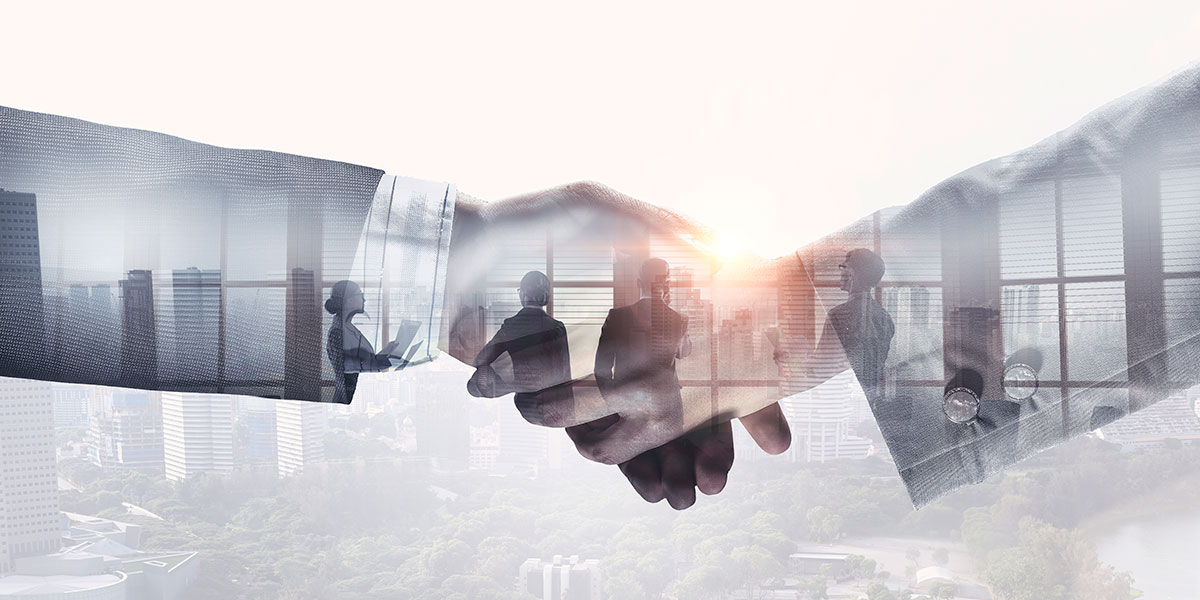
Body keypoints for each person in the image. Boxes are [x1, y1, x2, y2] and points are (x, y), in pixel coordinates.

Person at [467, 270, 574, 424]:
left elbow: (481, 359)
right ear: (545, 297)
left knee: (473, 384)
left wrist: (495, 372)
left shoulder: (511, 325)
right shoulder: (556, 327)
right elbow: (565, 372)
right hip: (552, 403)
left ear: (523, 294)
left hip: (526, 402)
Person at [325, 279, 410, 404]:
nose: (364, 300)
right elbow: (351, 367)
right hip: (349, 398)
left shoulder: (349, 328)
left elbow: (361, 362)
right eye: (361, 295)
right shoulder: (338, 332)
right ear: (349, 300)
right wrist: (388, 359)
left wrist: (386, 352)